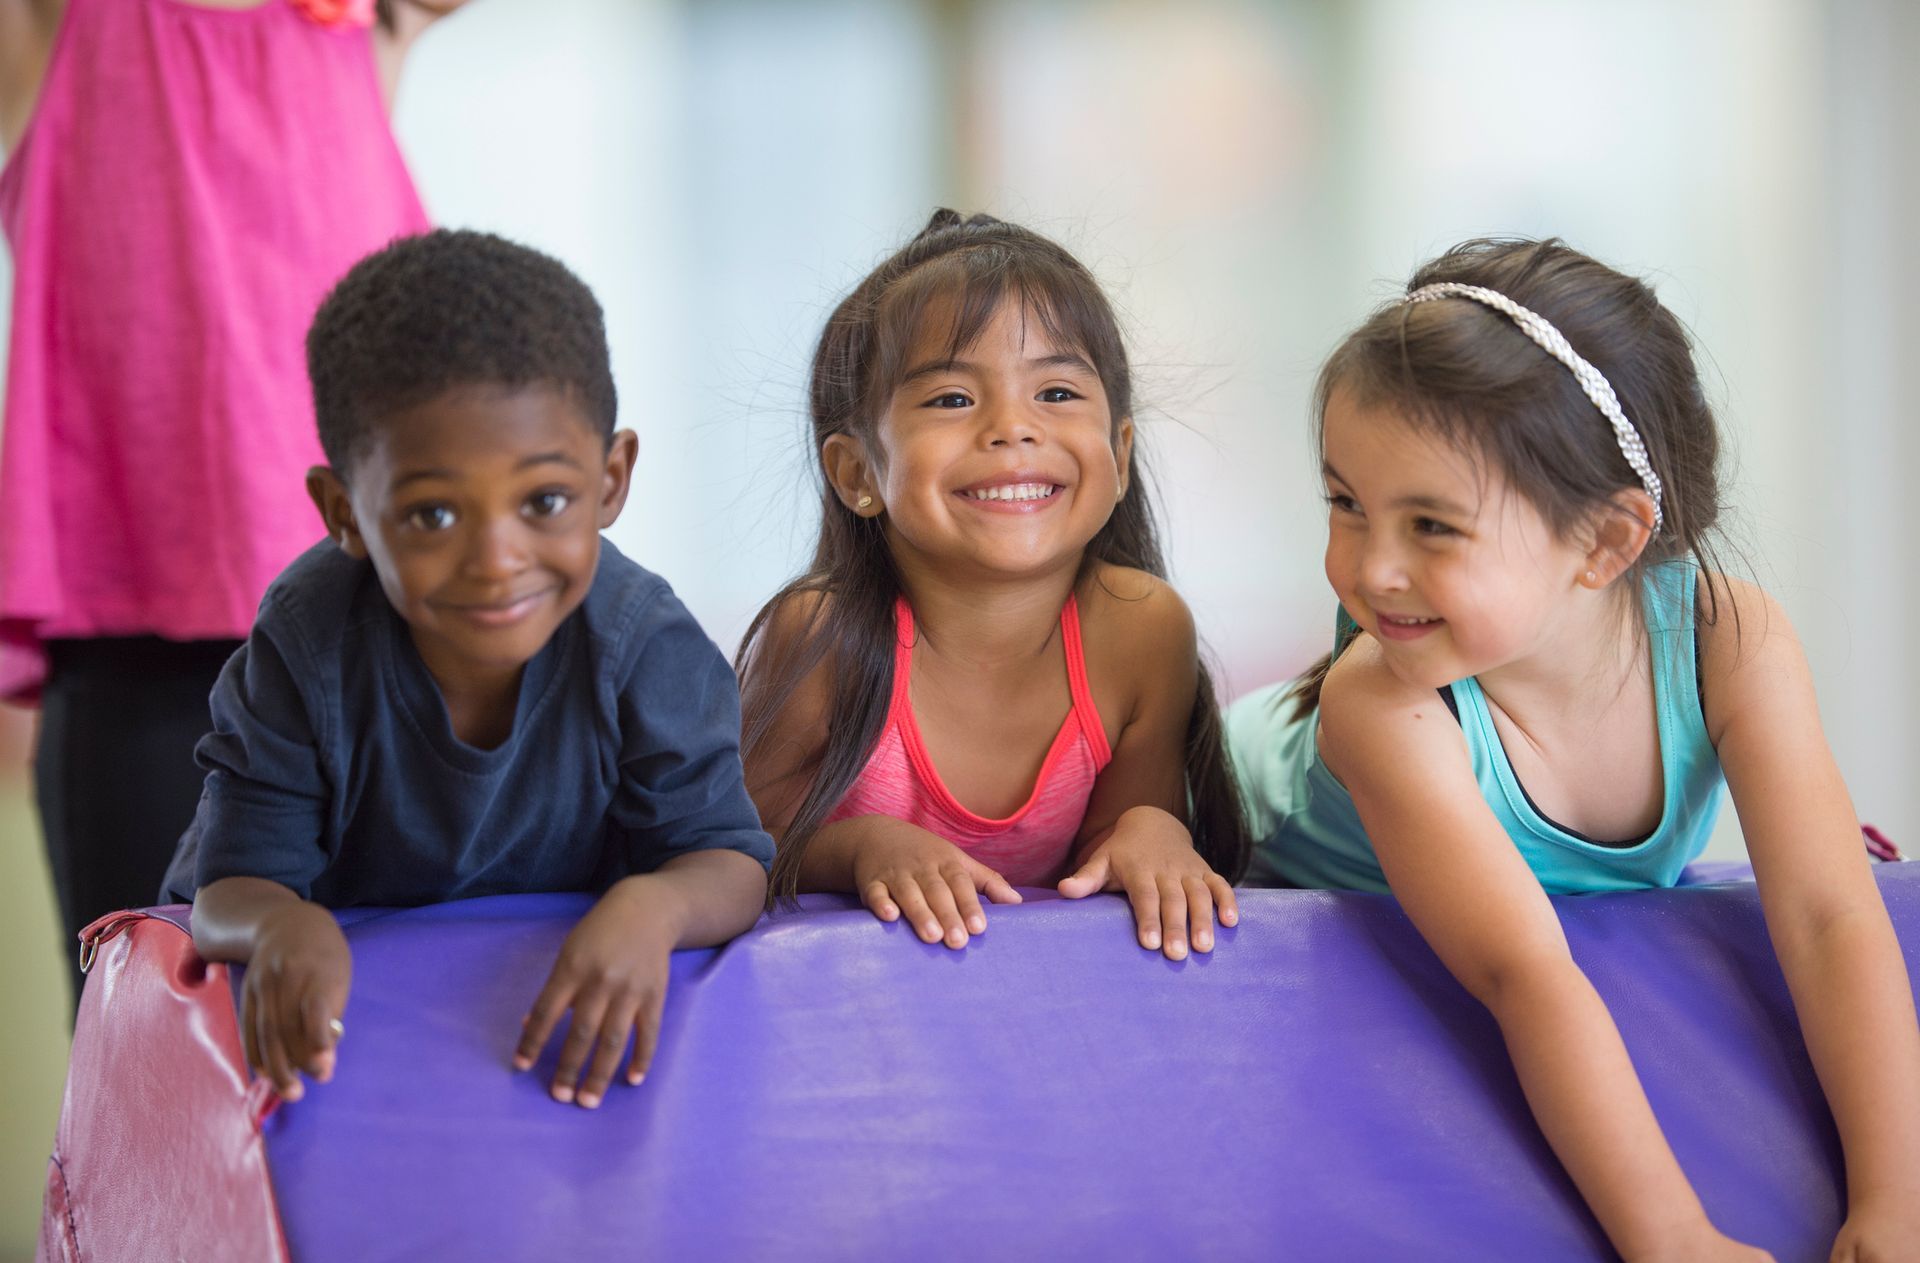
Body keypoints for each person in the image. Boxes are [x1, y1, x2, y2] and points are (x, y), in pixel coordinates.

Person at [1227, 238, 1920, 1263]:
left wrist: (1896, 1199)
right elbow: (1523, 972)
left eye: (1432, 525)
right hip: (1240, 816)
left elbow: (1827, 916)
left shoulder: (1733, 639)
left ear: (1606, 543)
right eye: (1346, 503)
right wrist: (1673, 1241)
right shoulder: (1384, 705)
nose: (1368, 568)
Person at [161, 230, 774, 1112]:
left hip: (528, 1039)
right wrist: (281, 923)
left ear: (611, 479)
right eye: (433, 513)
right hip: (342, 1049)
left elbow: (726, 860)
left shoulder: (647, 644)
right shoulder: (306, 640)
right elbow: (226, 893)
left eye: (544, 502)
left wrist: (654, 909)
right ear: (346, 514)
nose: (496, 558)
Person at [0, 0, 465, 990]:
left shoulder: (364, 20)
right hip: (135, 652)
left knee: (370, 1037)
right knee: (146, 1041)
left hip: (371, 636)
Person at [737, 209, 1246, 961]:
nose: (1013, 428)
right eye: (951, 399)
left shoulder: (1142, 629)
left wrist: (1154, 831)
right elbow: (738, 851)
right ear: (857, 473)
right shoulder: (822, 636)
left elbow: (1120, 842)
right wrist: (863, 847)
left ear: (1121, 452)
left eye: (1058, 394)